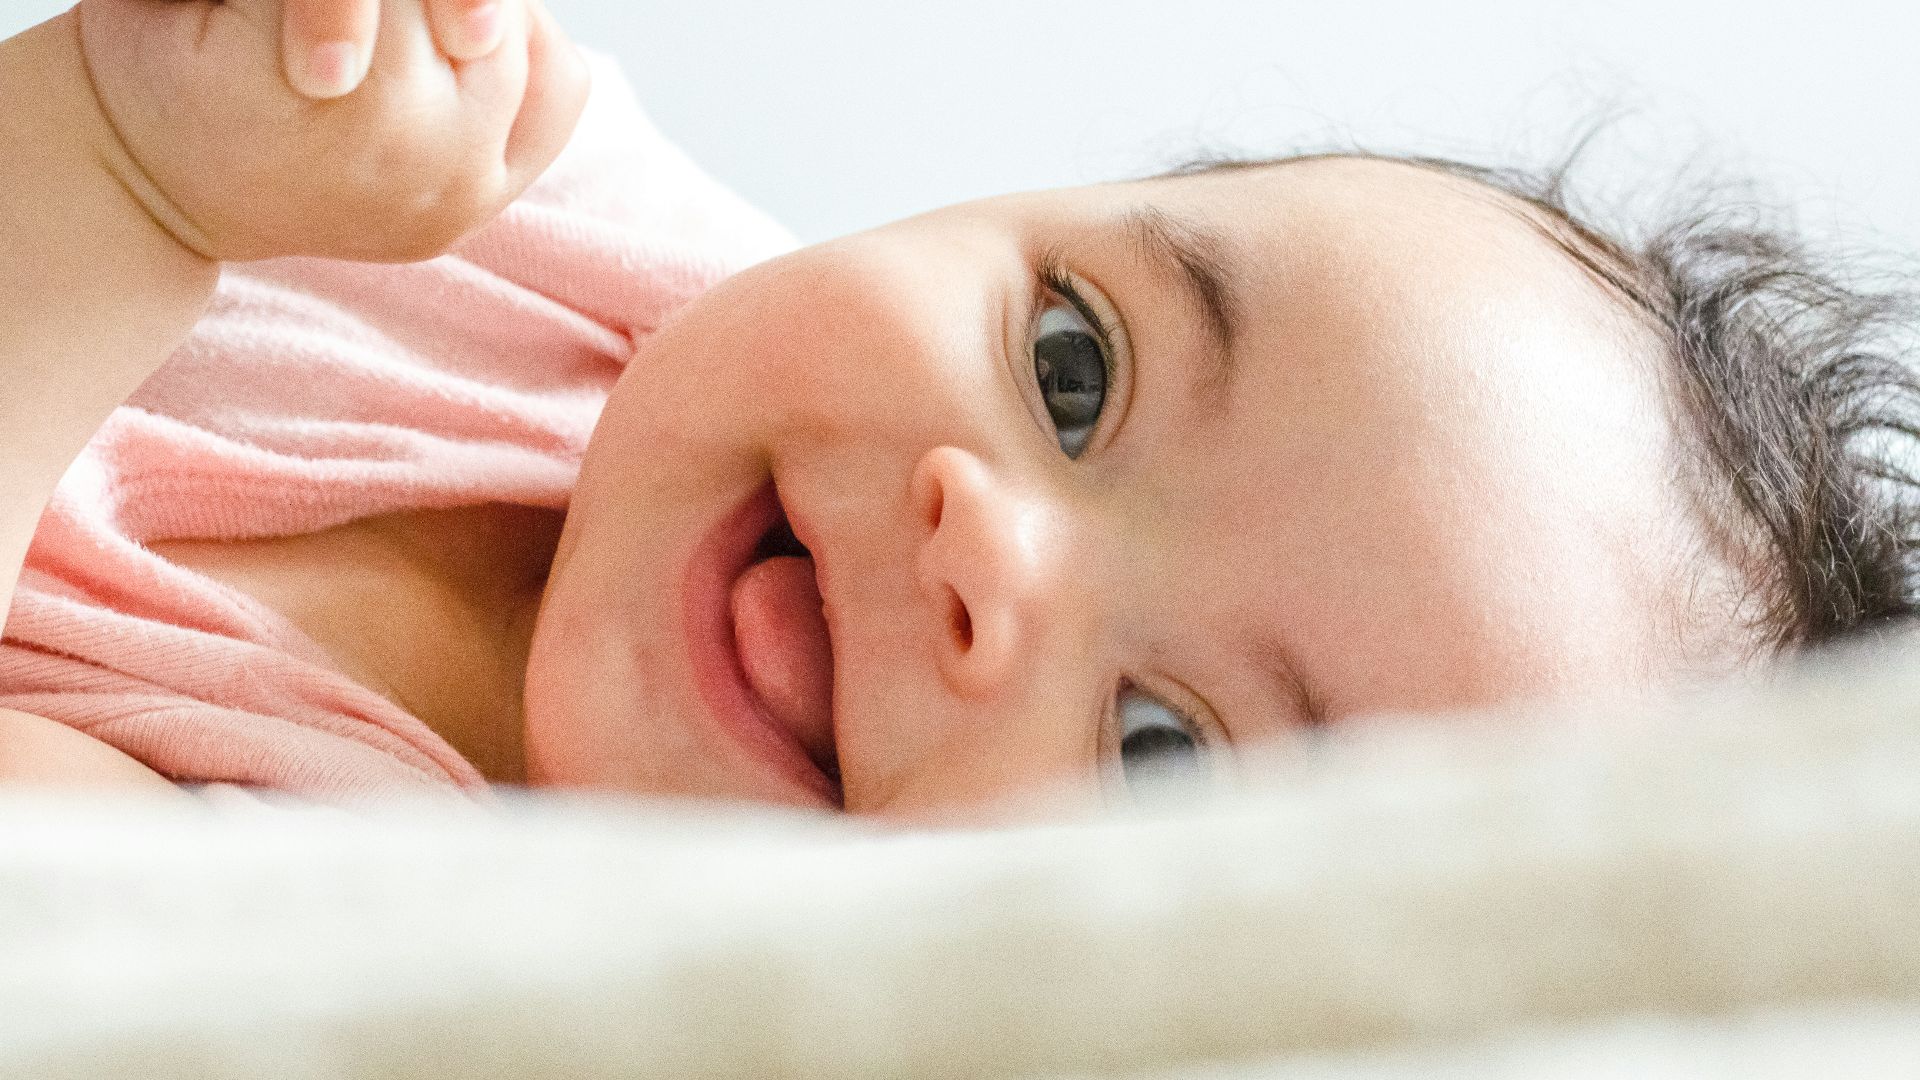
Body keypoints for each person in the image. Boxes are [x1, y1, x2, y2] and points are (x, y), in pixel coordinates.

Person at [1, 0, 1913, 821]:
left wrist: (111, 172)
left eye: (1163, 748)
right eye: (1072, 362)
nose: (983, 534)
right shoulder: (561, 220)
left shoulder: (357, 901)